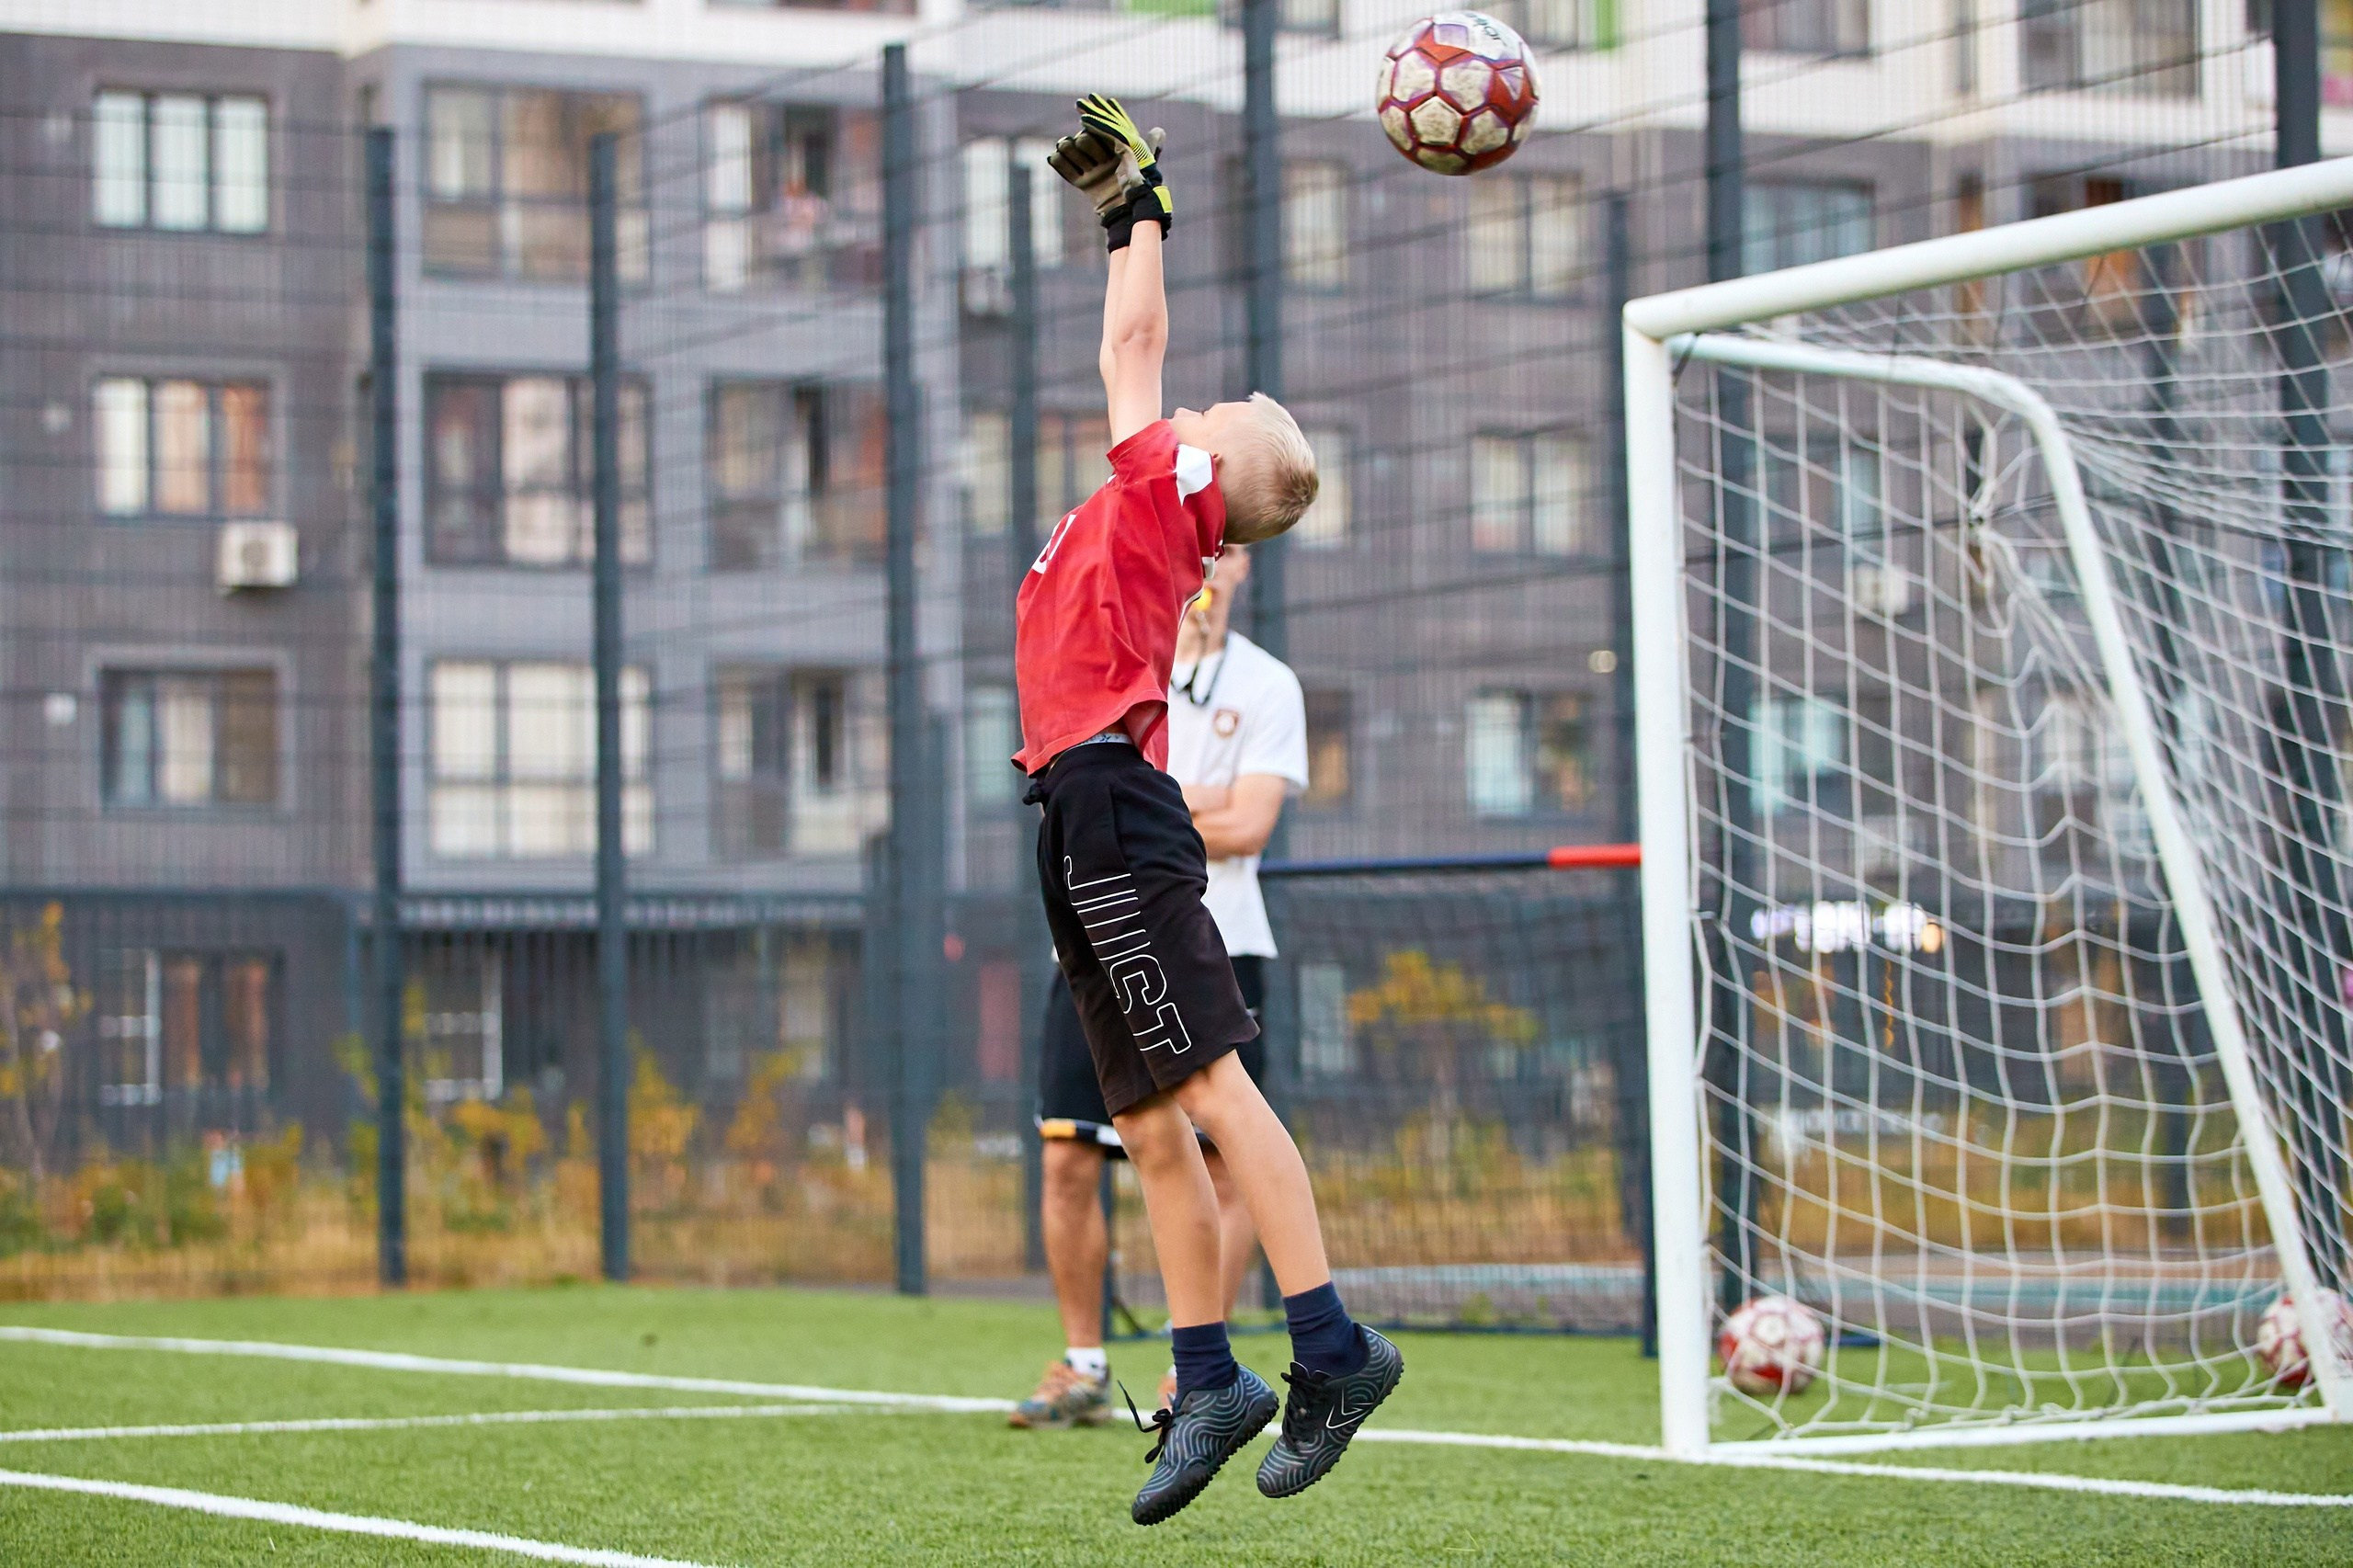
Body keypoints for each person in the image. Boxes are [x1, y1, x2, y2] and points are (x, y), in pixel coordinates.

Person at [1012, 96, 1402, 1528]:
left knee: (1218, 1095)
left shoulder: (1168, 483)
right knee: (1149, 1117)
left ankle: (1334, 1348)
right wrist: (1121, 218)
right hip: (1077, 808)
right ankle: (1208, 1378)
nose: (1193, 403)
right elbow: (1132, 359)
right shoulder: (1151, 494)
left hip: (1116, 805)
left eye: (1216, 413)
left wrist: (1142, 209)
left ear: (1216, 470)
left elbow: (1131, 344)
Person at [1008, 541, 1307, 1428]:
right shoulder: (1119, 663)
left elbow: (1250, 824)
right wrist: (1172, 806)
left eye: (1230, 551)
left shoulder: (1267, 684)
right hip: (1099, 936)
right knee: (1069, 1152)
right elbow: (1083, 792)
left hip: (1222, 937)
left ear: (1245, 566)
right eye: (1202, 548)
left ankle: (1196, 1369)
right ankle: (1083, 1364)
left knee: (1220, 1154)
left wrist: (1139, 807)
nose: (1212, 566)